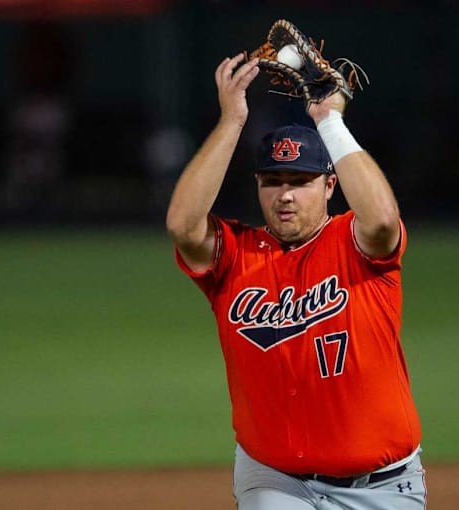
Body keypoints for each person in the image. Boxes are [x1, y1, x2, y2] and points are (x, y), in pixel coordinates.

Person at [166, 53, 426, 509]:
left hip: (382, 485)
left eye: (301, 180)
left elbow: (384, 221)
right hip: (275, 479)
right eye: (273, 180)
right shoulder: (235, 254)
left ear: (330, 185)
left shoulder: (354, 243)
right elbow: (184, 226)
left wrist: (330, 122)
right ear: (258, 186)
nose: (285, 194)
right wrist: (232, 121)